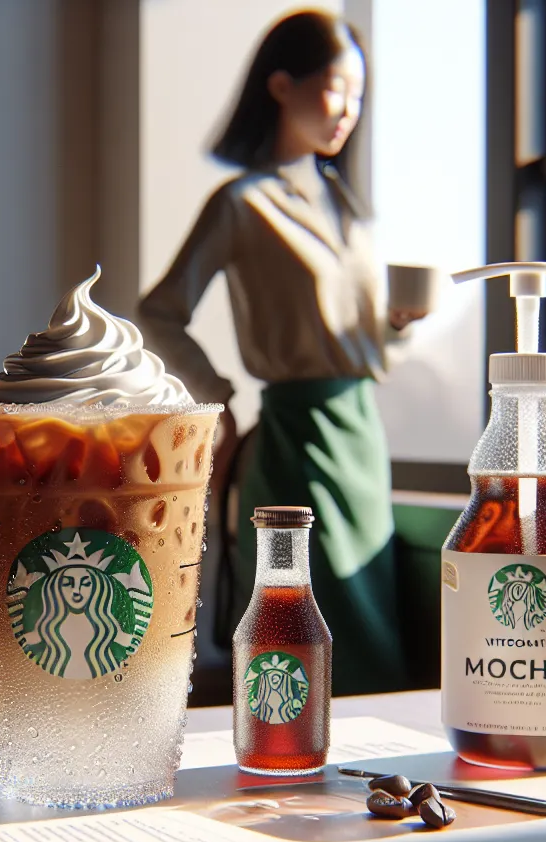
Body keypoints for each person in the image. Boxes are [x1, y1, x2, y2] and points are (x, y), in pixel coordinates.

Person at [137, 10, 425, 694]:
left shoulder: (347, 209)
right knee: (310, 623)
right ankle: (291, 765)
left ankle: (370, 775)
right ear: (281, 86)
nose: (347, 111)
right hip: (296, 440)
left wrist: (398, 325)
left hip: (361, 437)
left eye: (358, 96)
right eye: (334, 90)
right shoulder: (243, 204)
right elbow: (158, 313)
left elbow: (363, 345)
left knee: (368, 617)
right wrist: (219, 398)